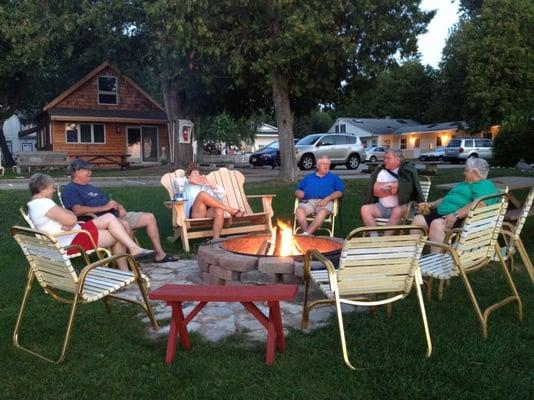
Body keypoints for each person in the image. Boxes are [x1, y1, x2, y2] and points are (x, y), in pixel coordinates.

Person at [26, 173, 154, 271]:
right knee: (118, 234)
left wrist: (70, 219)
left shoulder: (36, 204)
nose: (54, 190)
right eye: (52, 187)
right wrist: (71, 220)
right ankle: (126, 269)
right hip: (71, 240)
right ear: (43, 189)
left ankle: (133, 250)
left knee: (110, 217)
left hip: (74, 232)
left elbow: (70, 215)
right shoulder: (44, 203)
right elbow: (72, 218)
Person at [61, 159, 177, 263]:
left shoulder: (92, 187)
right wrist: (104, 208)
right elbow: (77, 210)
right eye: (87, 170)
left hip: (115, 214)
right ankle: (131, 260)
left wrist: (120, 206)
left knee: (149, 217)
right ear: (76, 172)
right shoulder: (70, 189)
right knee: (125, 225)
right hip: (100, 220)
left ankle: (160, 254)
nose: (90, 172)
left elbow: (109, 200)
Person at [412, 157, 498, 252]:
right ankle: (412, 256)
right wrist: (430, 204)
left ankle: (437, 261)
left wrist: (456, 215)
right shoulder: (464, 184)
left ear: (474, 172)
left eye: (466, 170)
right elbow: (447, 199)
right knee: (418, 220)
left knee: (437, 224)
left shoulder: (484, 185)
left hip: (460, 219)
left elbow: (480, 204)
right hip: (441, 213)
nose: (463, 173)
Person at [360, 148, 424, 232]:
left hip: (404, 207)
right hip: (383, 207)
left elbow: (407, 189)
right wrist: (392, 188)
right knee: (365, 209)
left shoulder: (407, 171)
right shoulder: (382, 171)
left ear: (397, 159)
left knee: (397, 210)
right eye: (384, 158)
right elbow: (376, 191)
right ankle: (374, 238)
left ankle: (385, 240)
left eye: (388, 158)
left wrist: (386, 187)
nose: (384, 160)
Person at [181, 163, 244, 240]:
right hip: (195, 213)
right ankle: (230, 210)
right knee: (202, 194)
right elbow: (177, 182)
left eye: (198, 175)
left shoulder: (204, 186)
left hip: (207, 211)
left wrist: (211, 185)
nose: (197, 177)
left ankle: (215, 240)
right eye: (194, 175)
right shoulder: (185, 185)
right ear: (188, 176)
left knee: (219, 210)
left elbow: (222, 195)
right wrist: (188, 181)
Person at [295, 156, 344, 235]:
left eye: (328, 164)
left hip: (325, 201)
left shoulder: (334, 177)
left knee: (322, 212)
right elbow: (297, 190)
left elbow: (340, 192)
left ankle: (306, 235)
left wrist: (328, 199)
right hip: (308, 202)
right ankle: (307, 234)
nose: (326, 166)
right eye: (323, 164)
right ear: (317, 166)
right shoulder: (308, 177)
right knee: (299, 211)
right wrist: (298, 193)